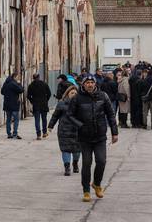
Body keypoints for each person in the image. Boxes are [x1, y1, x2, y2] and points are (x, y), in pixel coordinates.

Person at [67, 74, 119, 202]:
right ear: (83, 84)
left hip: (100, 136)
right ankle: (86, 191)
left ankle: (96, 183)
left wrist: (114, 132)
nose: (90, 84)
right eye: (87, 82)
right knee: (86, 163)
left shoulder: (103, 96)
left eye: (92, 82)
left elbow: (111, 115)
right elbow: (70, 115)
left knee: (101, 161)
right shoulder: (77, 98)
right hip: (84, 138)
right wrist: (80, 125)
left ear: (95, 84)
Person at [48, 85, 80, 176]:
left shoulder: (81, 104)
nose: (74, 95)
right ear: (67, 94)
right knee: (65, 149)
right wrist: (50, 126)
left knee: (77, 150)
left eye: (75, 93)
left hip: (77, 130)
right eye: (72, 93)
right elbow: (55, 116)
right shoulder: (61, 103)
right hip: (64, 130)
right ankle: (67, 167)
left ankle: (75, 163)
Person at [27, 74, 52, 140]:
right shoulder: (44, 84)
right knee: (44, 119)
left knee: (37, 120)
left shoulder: (31, 85)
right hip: (44, 104)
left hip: (36, 105)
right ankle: (44, 133)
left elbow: (28, 96)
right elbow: (49, 94)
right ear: (39, 77)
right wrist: (46, 100)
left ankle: (38, 135)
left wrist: (33, 102)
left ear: (33, 78)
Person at [2, 73, 24, 139]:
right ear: (14, 77)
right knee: (16, 119)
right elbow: (21, 90)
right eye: (17, 77)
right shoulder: (14, 83)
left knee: (8, 119)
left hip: (7, 105)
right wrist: (19, 83)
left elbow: (2, 92)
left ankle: (9, 134)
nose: (18, 79)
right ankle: (15, 134)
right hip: (14, 104)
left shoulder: (6, 83)